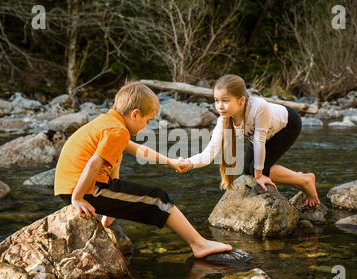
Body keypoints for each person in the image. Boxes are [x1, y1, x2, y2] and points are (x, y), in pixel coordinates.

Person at [54, 81, 232, 258]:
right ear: (135, 114)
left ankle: (110, 211)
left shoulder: (107, 122)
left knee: (118, 155)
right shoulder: (118, 131)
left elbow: (140, 150)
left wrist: (170, 161)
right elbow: (93, 164)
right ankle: (199, 244)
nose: (146, 127)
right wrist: (76, 198)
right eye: (147, 121)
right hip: (85, 190)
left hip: (72, 185)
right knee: (157, 199)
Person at [181, 74, 319, 207]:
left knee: (256, 171)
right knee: (248, 171)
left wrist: (259, 175)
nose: (220, 106)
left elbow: (259, 141)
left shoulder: (259, 107)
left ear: (241, 100)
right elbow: (209, 154)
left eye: (225, 100)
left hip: (287, 125)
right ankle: (301, 178)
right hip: (264, 135)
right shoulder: (223, 121)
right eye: (217, 100)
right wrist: (189, 163)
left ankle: (305, 181)